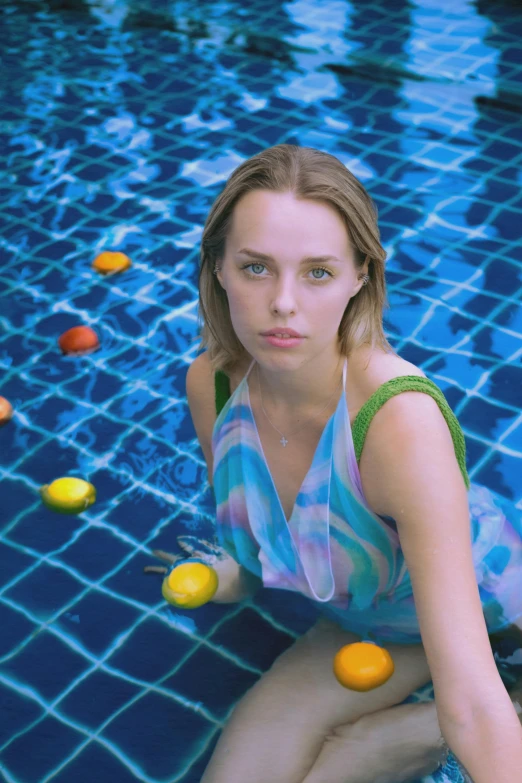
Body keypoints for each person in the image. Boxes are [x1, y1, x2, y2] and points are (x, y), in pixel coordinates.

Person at [152, 145, 522, 782]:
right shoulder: (211, 386)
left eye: (317, 272)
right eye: (256, 267)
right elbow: (253, 552)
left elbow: (473, 701)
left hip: (497, 615)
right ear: (217, 268)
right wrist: (226, 578)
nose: (284, 303)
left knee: (342, 770)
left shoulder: (397, 424)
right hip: (364, 622)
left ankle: (411, 732)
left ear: (360, 276)